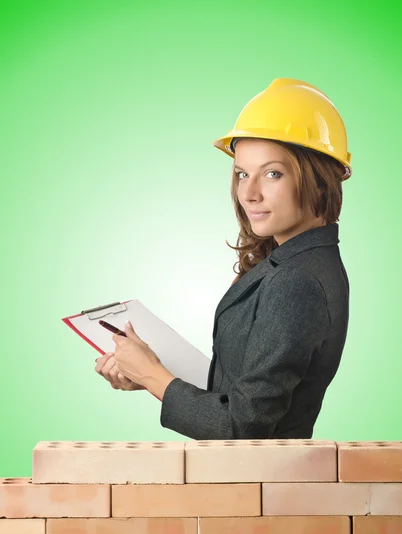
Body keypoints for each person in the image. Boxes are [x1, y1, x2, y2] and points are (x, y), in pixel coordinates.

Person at [95, 77, 352, 439]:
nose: (249, 193)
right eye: (242, 173)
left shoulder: (298, 281)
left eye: (272, 174)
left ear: (321, 179)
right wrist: (151, 374)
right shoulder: (296, 262)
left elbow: (244, 427)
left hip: (262, 488)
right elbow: (243, 396)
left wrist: (155, 376)